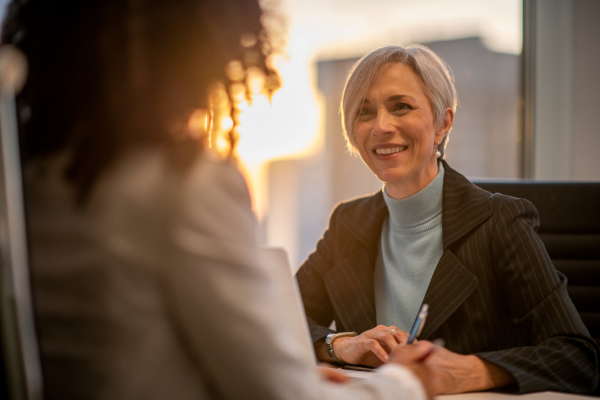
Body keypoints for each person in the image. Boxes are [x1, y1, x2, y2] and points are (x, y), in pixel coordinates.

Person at [2, 1, 438, 399]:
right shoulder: (182, 186)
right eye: (365, 111)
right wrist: (404, 383)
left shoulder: (30, 180)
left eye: (401, 107)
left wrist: (279, 372)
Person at [295, 44, 599, 395]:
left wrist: (472, 370)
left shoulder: (500, 221)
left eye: (401, 107)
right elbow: (281, 321)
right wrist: (341, 344)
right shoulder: (347, 223)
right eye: (364, 111)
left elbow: (579, 356)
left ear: (443, 123)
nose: (381, 126)